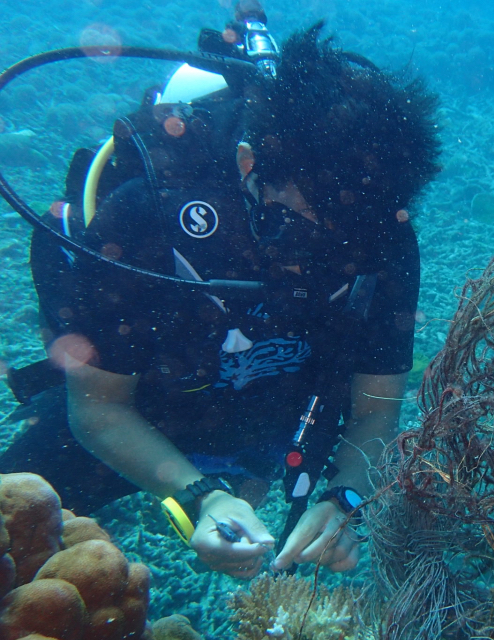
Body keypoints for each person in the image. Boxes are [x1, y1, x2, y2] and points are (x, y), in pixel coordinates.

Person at [0, 16, 441, 578]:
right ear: (249, 166)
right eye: (304, 229)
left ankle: (247, 473)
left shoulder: (387, 239)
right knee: (18, 516)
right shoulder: (147, 213)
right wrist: (199, 496)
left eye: (347, 241)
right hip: (147, 398)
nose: (317, 262)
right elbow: (97, 409)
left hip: (271, 408)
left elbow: (375, 419)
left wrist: (344, 501)